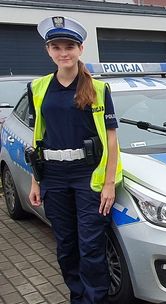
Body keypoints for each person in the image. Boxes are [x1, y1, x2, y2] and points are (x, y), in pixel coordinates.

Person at [28, 16, 122, 303]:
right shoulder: (38, 88)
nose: (63, 52)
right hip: (53, 177)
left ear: (81, 48)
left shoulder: (98, 89)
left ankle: (95, 299)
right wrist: (36, 181)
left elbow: (113, 140)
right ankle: (77, 296)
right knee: (66, 246)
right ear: (48, 51)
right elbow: (38, 137)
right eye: (56, 46)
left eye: (69, 45)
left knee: (91, 247)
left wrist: (108, 184)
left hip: (87, 176)